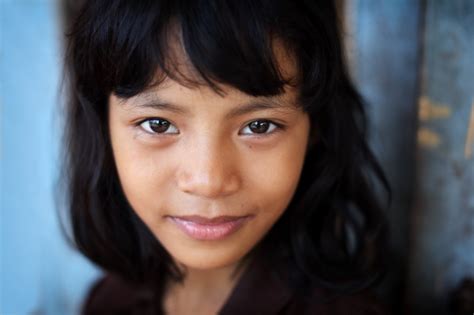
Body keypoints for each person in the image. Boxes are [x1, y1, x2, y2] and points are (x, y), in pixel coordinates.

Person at [63, 0, 391, 314]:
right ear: (103, 127)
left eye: (259, 126)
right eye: (158, 124)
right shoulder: (109, 302)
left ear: (315, 127)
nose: (209, 181)